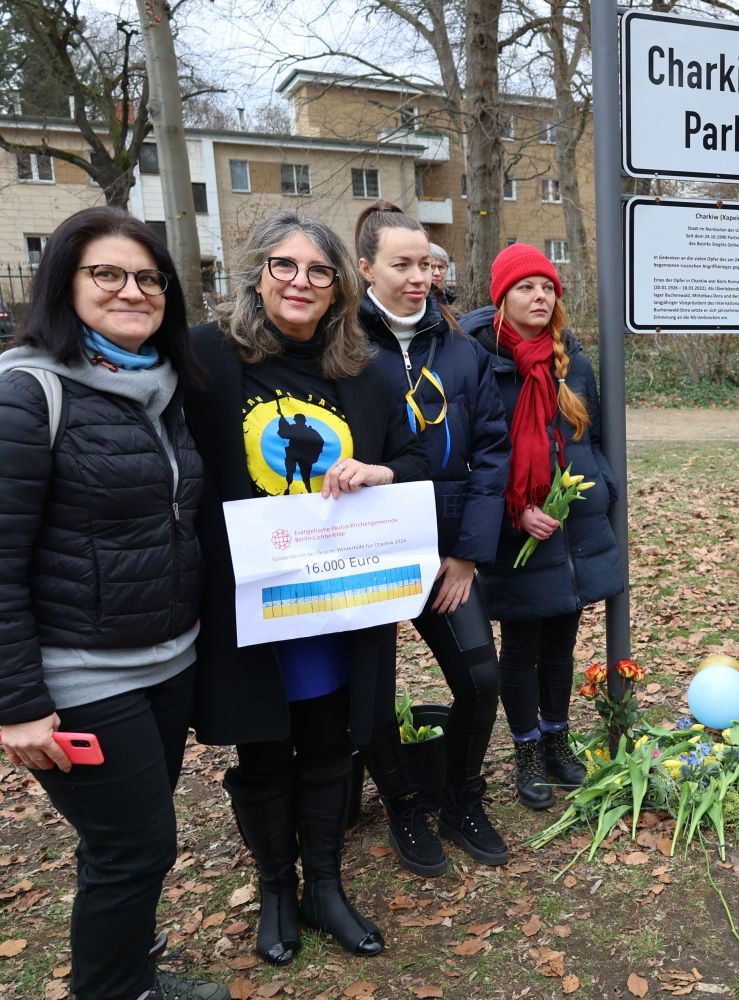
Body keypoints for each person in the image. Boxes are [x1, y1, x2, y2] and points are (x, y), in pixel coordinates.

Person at [184, 211, 429, 965]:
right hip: (248, 601)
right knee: (263, 753)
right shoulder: (207, 358)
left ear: (339, 287)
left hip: (334, 604)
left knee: (328, 747)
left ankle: (324, 885)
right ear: (258, 274)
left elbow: (419, 464)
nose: (301, 282)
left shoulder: (366, 372)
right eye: (284, 266)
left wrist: (381, 470)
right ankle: (276, 892)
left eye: (320, 270)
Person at [0, 207, 226, 1000]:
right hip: (82, 677)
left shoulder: (165, 389)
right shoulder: (27, 394)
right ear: (64, 284)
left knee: (124, 845)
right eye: (107, 274)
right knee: (136, 847)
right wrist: (18, 704)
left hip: (167, 662)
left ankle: (131, 970)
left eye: (149, 278)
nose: (133, 291)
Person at [350, 202, 510, 875]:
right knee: (369, 693)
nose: (420, 278)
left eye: (426, 264)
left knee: (479, 678)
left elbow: (492, 453)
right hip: (364, 545)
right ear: (366, 268)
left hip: (446, 546)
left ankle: (462, 797)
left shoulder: (463, 351)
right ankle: (403, 805)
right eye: (403, 265)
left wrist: (467, 554)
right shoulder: (340, 347)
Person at [478, 244, 624, 809]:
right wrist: (514, 510)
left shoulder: (573, 363)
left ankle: (558, 740)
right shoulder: (483, 363)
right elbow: (477, 454)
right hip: (518, 531)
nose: (539, 297)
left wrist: (599, 485)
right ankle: (527, 752)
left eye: (547, 288)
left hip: (573, 528)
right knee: (521, 646)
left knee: (562, 642)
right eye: (525, 288)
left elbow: (594, 438)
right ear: (502, 297)